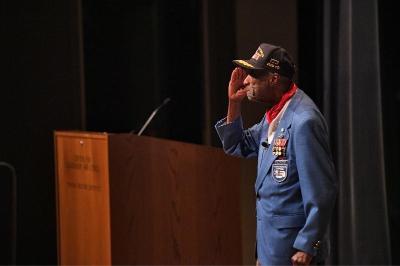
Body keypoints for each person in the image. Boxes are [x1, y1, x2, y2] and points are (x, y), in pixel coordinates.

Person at [215, 43, 338, 265]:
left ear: (273, 79)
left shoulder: (303, 121)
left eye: (253, 74)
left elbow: (322, 191)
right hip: (271, 248)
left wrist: (308, 245)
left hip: (294, 253)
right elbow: (235, 145)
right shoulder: (275, 115)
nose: (245, 81)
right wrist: (234, 104)